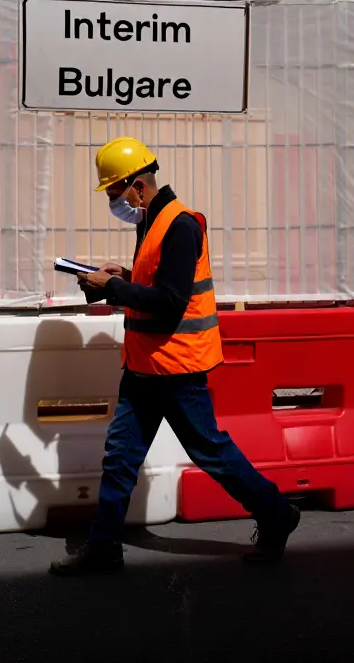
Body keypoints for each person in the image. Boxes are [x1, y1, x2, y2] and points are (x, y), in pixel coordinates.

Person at [49, 137, 300, 577]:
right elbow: (153, 283)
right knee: (120, 456)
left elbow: (169, 301)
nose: (114, 202)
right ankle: (105, 547)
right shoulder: (152, 220)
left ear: (138, 187)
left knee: (210, 452)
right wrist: (119, 277)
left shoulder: (180, 224)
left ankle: (277, 513)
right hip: (146, 364)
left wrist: (111, 288)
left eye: (114, 193)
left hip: (177, 366)